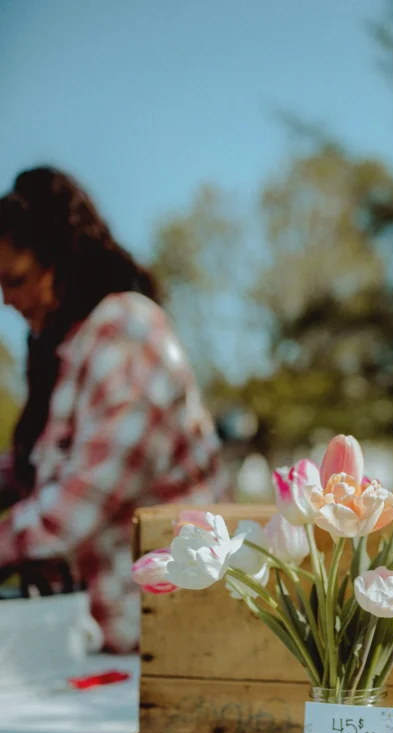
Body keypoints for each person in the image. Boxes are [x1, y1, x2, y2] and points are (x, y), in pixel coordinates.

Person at [0, 167, 227, 651]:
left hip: (167, 645)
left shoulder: (127, 334)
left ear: (61, 261)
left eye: (16, 280)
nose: (8, 300)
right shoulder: (72, 350)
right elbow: (39, 471)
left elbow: (69, 511)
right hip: (107, 644)